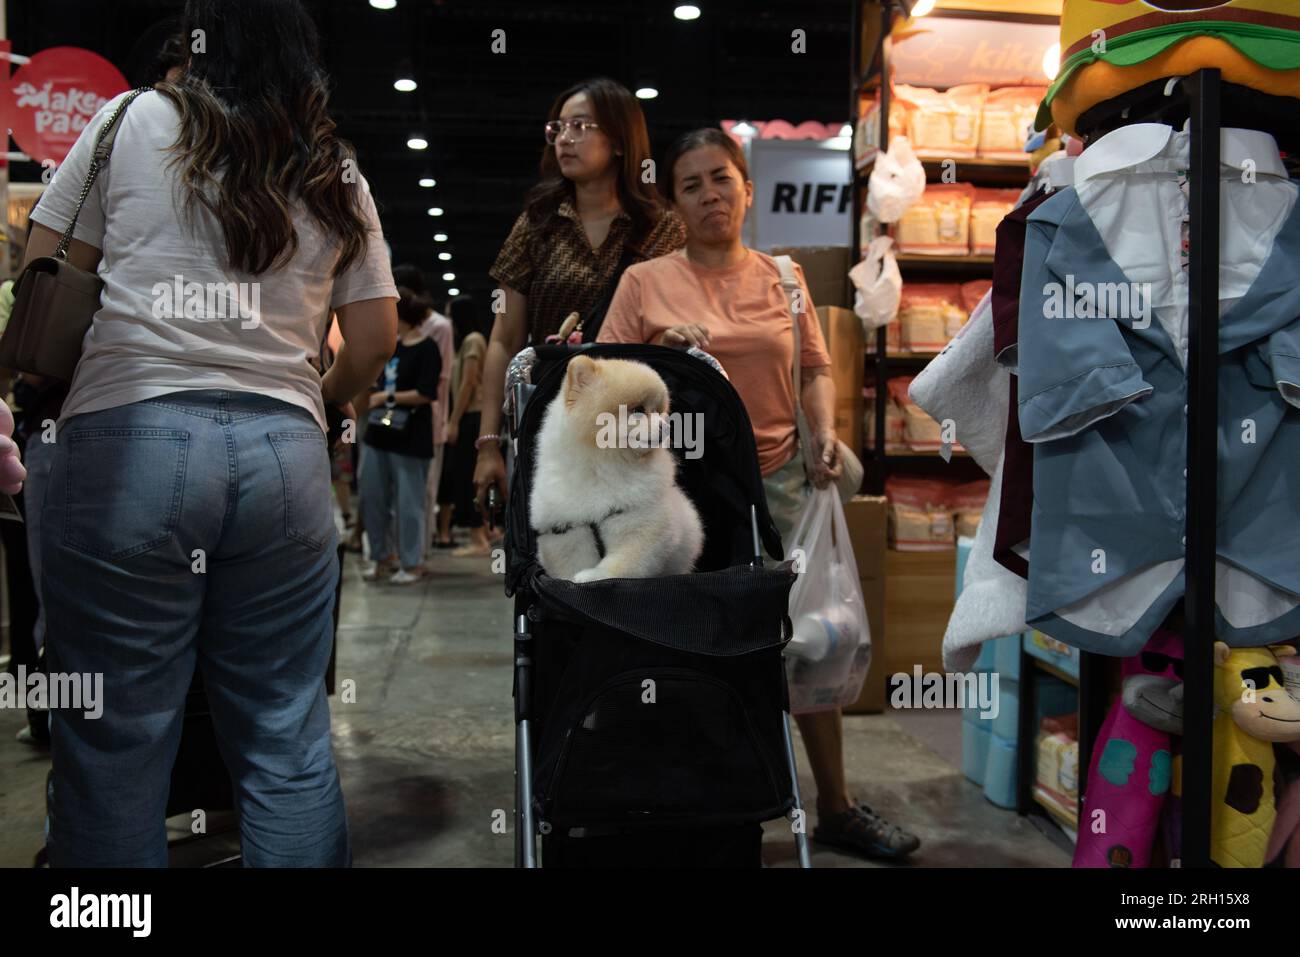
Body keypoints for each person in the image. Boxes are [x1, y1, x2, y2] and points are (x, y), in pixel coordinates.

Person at [23, 0, 398, 867]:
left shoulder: (127, 120)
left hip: (129, 438)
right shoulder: (332, 167)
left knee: (112, 742)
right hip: (285, 455)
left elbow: (47, 262)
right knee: (286, 736)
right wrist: (319, 395)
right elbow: (374, 339)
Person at [597, 127, 921, 862]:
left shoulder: (785, 276)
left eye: (722, 179)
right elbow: (605, 390)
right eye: (692, 185)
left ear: (746, 185)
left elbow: (813, 366)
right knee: (699, 654)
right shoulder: (645, 283)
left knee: (810, 644)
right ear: (673, 200)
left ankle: (834, 806)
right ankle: (704, 810)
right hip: (682, 498)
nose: (711, 195)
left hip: (778, 485)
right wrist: (660, 361)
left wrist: (824, 428)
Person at [474, 76, 686, 514]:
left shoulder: (663, 227)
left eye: (581, 127)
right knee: (550, 555)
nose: (564, 139)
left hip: (635, 427)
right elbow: (502, 339)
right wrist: (488, 444)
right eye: (558, 129)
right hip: (549, 422)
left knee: (632, 557)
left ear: (622, 141)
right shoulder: (537, 223)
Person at [359, 290, 442, 584]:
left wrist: (386, 395)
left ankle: (412, 562)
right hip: (379, 432)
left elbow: (426, 393)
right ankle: (382, 557)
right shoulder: (391, 346)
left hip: (411, 436)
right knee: (372, 498)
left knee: (410, 504)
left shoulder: (428, 348)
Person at [391, 264, 453, 558]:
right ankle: (401, 550)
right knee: (398, 489)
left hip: (430, 416)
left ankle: (420, 550)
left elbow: (442, 379)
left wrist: (446, 422)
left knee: (426, 489)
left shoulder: (440, 326)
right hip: (399, 413)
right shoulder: (397, 326)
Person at [438, 295, 490, 555]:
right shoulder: (465, 343)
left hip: (472, 416)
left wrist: (453, 421)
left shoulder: (473, 340)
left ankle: (478, 537)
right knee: (462, 475)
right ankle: (478, 533)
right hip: (467, 416)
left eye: (449, 314)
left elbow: (469, 383)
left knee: (466, 475)